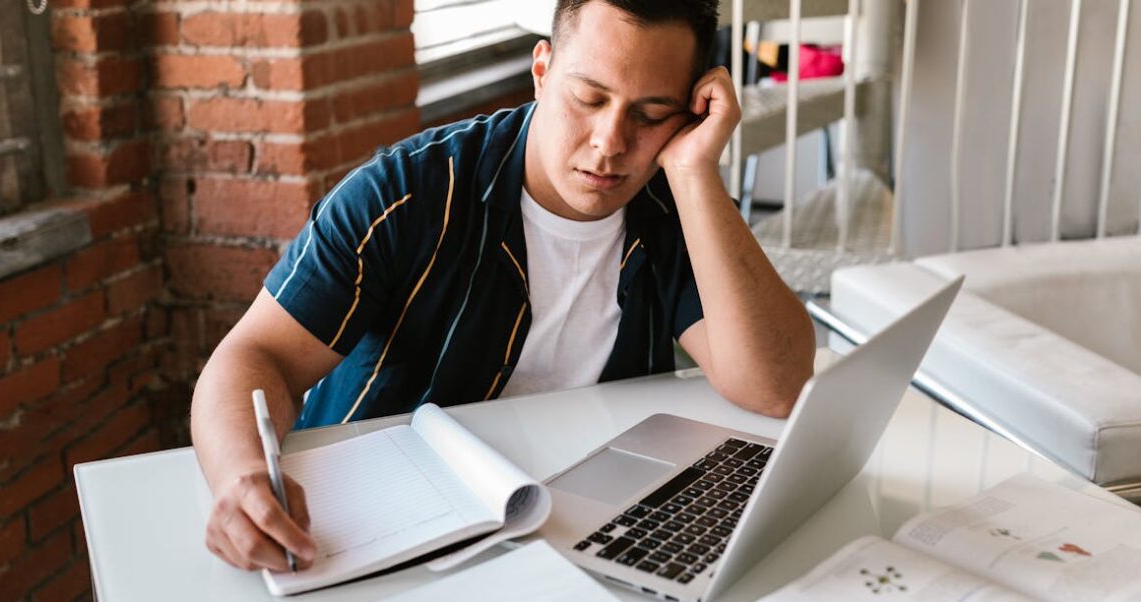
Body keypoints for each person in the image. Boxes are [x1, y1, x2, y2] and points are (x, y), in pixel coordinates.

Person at [191, 0, 816, 573]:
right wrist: (242, 476)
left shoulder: (675, 202)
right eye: (588, 98)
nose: (610, 144)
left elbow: (775, 385)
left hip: (580, 531)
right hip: (387, 544)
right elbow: (253, 356)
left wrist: (695, 171)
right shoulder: (403, 195)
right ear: (541, 71)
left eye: (651, 115)